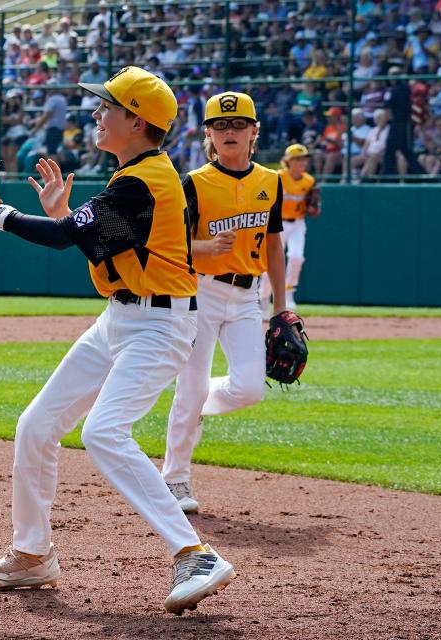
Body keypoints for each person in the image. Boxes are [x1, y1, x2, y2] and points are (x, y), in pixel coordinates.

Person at [0, 67, 237, 616]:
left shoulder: (144, 181)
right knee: (36, 426)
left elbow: (63, 239)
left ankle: (194, 553)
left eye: (106, 106)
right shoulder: (135, 178)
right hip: (119, 320)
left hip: (159, 327)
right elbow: (93, 245)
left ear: (136, 120)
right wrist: (61, 213)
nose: (95, 113)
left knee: (105, 432)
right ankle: (32, 554)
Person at [160, 91, 286, 514]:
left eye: (237, 124)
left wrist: (282, 306)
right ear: (208, 134)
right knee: (191, 385)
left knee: (250, 388)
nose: (229, 131)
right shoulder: (194, 182)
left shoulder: (271, 180)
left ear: (254, 131)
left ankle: (191, 405)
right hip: (201, 291)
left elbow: (273, 245)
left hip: (249, 295)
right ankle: (174, 478)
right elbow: (173, 246)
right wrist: (206, 248)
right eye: (220, 125)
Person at [260, 143, 315, 312]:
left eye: (303, 159)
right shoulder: (278, 177)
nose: (301, 163)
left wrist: (312, 206)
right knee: (271, 262)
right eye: (297, 159)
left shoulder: (309, 180)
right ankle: (263, 298)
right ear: (288, 161)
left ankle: (289, 291)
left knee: (297, 257)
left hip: (298, 223)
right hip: (278, 223)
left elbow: (311, 205)